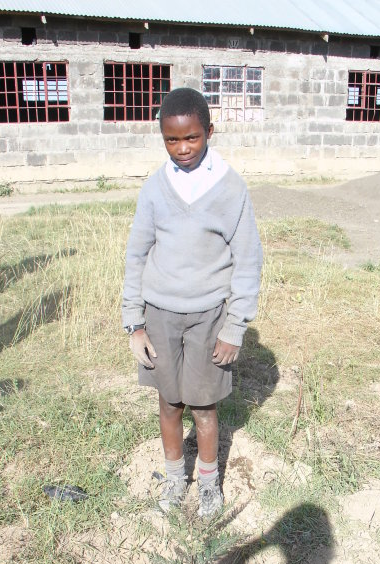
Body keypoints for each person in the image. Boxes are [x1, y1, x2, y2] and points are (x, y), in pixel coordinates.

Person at [122, 88, 263, 517]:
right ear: (162, 137)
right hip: (160, 314)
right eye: (172, 140)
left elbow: (248, 260)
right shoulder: (154, 188)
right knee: (169, 402)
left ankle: (207, 482)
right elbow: (136, 253)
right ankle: (173, 477)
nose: (182, 149)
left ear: (209, 133)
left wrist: (235, 326)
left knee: (203, 406)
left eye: (192, 139)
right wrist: (135, 322)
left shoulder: (230, 189)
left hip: (208, 317)